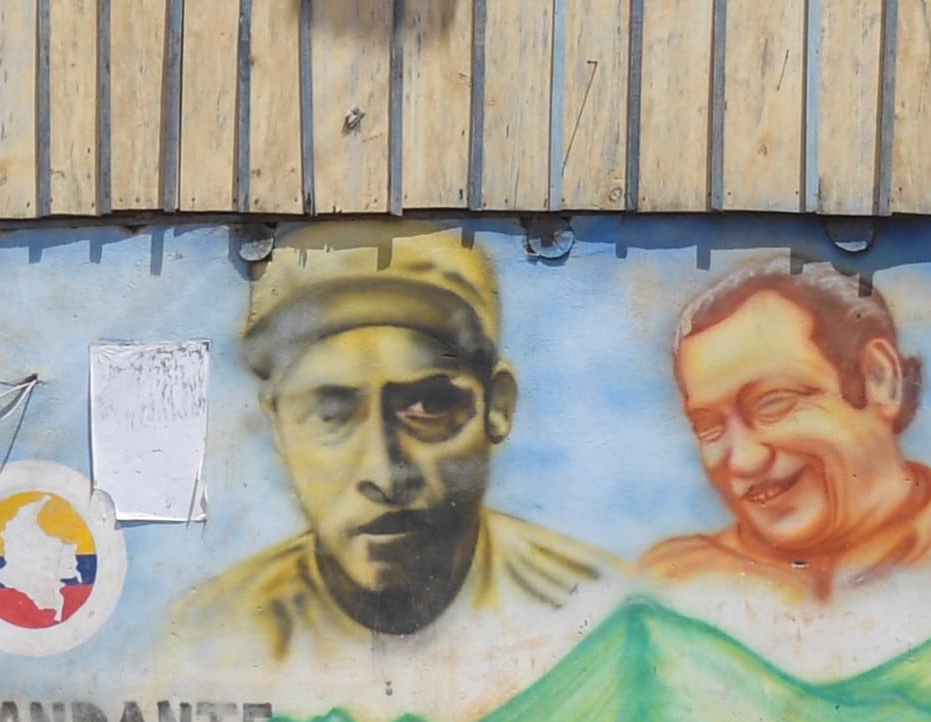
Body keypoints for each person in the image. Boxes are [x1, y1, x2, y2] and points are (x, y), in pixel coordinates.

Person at [162, 224, 613, 668]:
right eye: (331, 415)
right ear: (278, 428)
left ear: (499, 407)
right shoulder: (210, 643)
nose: (384, 473)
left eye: (429, 407)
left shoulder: (599, 617)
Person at [638, 259, 931, 610]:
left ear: (880, 379)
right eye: (708, 427)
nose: (743, 460)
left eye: (773, 403)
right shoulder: (670, 587)